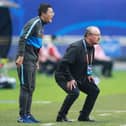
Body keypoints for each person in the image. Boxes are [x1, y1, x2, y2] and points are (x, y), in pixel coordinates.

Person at [15, 3, 54, 123]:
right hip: (25, 59)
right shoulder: (35, 22)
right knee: (25, 87)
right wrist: (21, 56)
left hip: (31, 59)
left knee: (31, 88)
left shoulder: (41, 26)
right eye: (50, 12)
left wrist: (36, 60)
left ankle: (28, 114)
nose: (53, 14)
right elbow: (23, 38)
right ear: (43, 13)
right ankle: (22, 116)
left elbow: (36, 45)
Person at [55, 26, 101, 122]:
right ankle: (61, 116)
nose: (99, 37)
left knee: (94, 90)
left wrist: (89, 74)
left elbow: (88, 62)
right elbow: (64, 64)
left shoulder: (92, 47)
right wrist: (70, 79)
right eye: (97, 35)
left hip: (79, 76)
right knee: (74, 92)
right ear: (88, 35)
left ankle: (84, 116)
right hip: (64, 75)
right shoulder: (76, 47)